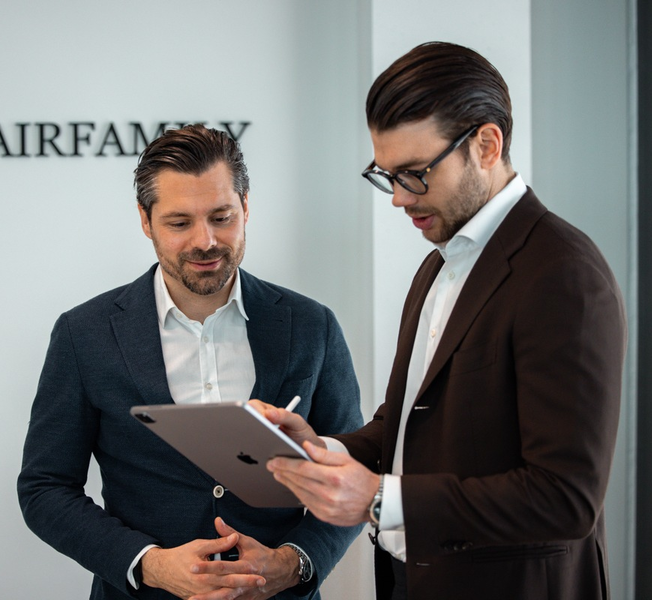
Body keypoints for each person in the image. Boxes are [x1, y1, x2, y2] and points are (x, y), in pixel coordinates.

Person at [263, 42, 627, 600]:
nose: (397, 200)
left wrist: (379, 499)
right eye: (386, 176)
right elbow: (412, 424)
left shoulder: (563, 273)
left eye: (413, 174)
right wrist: (324, 452)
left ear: (485, 144)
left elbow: (566, 497)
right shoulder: (439, 265)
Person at [17, 124, 364, 600]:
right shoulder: (85, 334)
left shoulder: (311, 324)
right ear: (145, 220)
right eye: (180, 223)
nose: (205, 241)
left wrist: (292, 564)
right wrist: (150, 565)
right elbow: (45, 487)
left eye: (222, 217)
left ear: (246, 207)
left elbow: (352, 472)